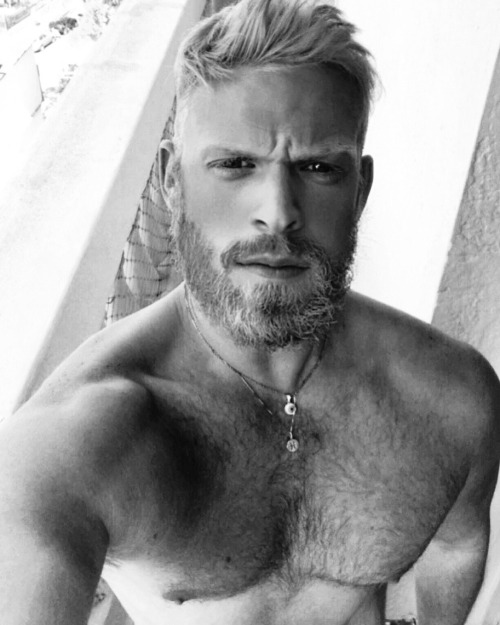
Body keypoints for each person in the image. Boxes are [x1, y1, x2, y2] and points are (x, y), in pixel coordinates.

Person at [1, 1, 499, 624]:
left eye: (318, 168)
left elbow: (457, 546)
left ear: (359, 190)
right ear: (172, 182)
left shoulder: (452, 399)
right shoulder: (73, 445)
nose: (279, 212)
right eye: (236, 165)